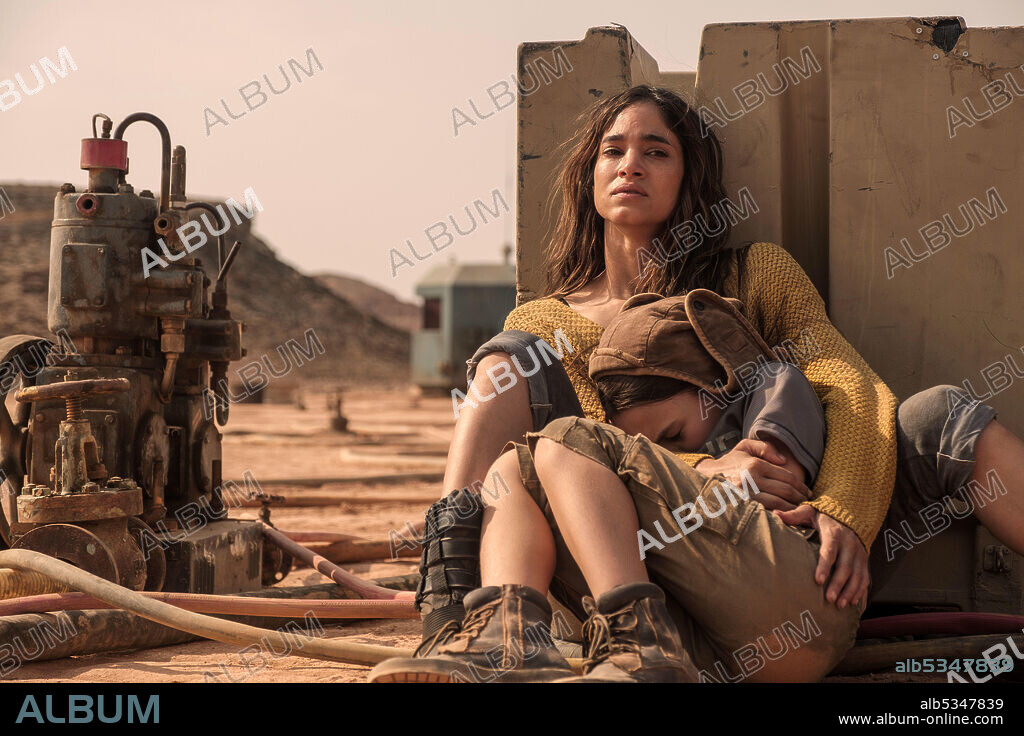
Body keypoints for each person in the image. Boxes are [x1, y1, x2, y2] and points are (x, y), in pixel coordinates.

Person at [370, 84, 1024, 683]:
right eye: (614, 150)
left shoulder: (753, 276)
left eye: (656, 151)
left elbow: (846, 381)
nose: (631, 165)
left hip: (781, 554)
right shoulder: (547, 321)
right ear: (589, 175)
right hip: (627, 566)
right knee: (513, 379)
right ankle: (464, 618)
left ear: (689, 180)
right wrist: (708, 471)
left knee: (938, 417)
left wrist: (843, 512)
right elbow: (589, 453)